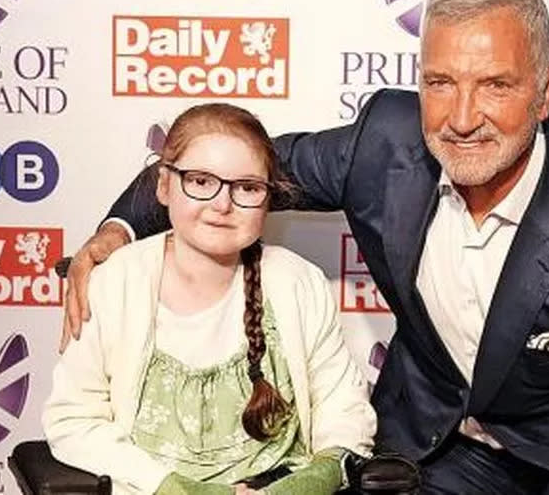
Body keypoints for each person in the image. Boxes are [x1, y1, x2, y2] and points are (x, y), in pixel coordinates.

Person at [62, 0, 549, 494]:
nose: (463, 118)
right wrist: (117, 230)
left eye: (495, 85)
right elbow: (230, 166)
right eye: (440, 83)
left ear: (545, 92)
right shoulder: (385, 143)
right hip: (435, 443)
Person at [42, 103, 376, 495]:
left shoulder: (299, 282)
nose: (222, 205)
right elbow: (73, 420)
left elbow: (343, 406)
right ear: (164, 186)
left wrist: (318, 475)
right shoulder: (115, 282)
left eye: (247, 188)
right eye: (200, 181)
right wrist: (170, 486)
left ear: (269, 199)